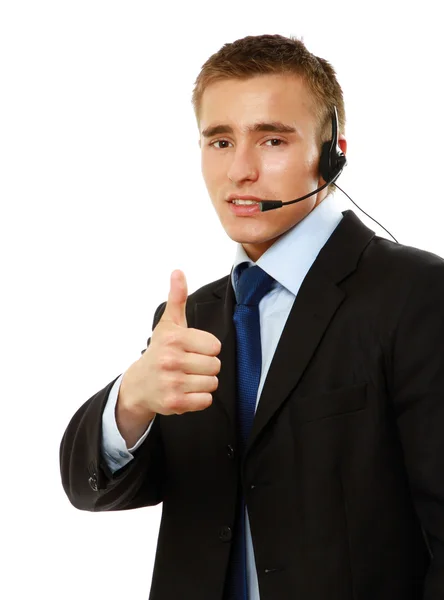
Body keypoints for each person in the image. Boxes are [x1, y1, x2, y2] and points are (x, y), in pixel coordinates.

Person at [59, 33, 444, 600]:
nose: (239, 171)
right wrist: (132, 399)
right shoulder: (190, 319)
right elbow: (91, 490)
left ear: (332, 151)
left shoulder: (418, 294)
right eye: (219, 141)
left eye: (271, 140)